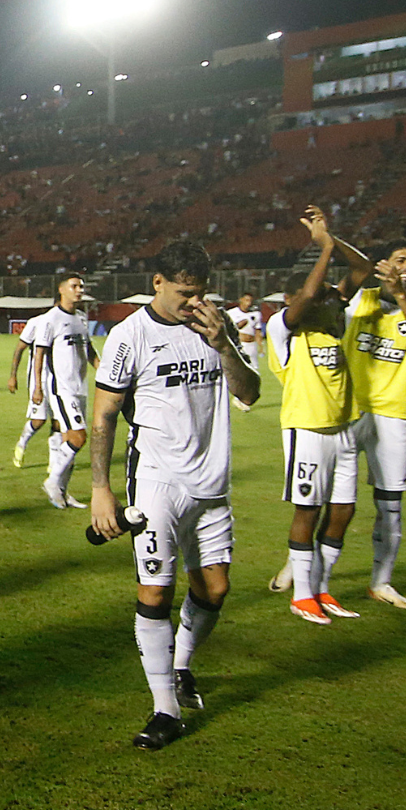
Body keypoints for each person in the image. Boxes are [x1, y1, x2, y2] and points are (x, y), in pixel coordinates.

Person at [88, 242, 260, 750]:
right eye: (185, 293)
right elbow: (103, 416)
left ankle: (181, 664)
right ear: (158, 281)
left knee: (215, 590)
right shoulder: (130, 335)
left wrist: (225, 343)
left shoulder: (215, 325)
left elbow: (249, 394)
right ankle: (164, 709)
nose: (193, 303)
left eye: (200, 293)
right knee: (156, 592)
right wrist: (100, 490)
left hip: (212, 482)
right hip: (157, 484)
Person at [263, 207, 371, 624]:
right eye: (325, 295)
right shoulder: (283, 328)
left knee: (343, 509)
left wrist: (332, 237)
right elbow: (309, 294)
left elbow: (360, 268)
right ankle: (302, 594)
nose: (331, 300)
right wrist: (322, 249)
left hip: (343, 428)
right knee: (307, 510)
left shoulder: (329, 323)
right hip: (306, 429)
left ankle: (322, 588)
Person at [340, 238, 406, 610]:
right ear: (384, 263)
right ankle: (303, 568)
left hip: (396, 414)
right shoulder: (360, 300)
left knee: (389, 503)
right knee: (328, 498)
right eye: (402, 259)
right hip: (350, 410)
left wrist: (401, 296)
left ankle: (381, 582)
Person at [26, 273, 98, 510]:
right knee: (79, 437)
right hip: (61, 389)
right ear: (61, 289)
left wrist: (106, 372)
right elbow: (39, 355)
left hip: (80, 388)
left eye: (81, 286)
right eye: (74, 286)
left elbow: (89, 351)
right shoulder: (50, 319)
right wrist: (37, 387)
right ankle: (52, 481)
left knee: (70, 440)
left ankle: (63, 493)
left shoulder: (81, 318)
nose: (79, 290)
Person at [7, 310, 53, 467]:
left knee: (59, 422)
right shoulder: (37, 322)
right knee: (39, 420)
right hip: (39, 378)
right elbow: (20, 348)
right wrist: (13, 376)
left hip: (62, 380)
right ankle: (22, 443)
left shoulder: (72, 320)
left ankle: (54, 464)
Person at [225, 293, 265, 412]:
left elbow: (257, 331)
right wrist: (238, 325)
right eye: (246, 300)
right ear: (241, 300)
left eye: (250, 300)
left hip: (251, 345)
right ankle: (239, 399)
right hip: (241, 345)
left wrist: (260, 346)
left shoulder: (256, 314)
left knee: (255, 371)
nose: (249, 303)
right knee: (241, 371)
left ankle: (242, 398)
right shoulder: (232, 313)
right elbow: (228, 329)